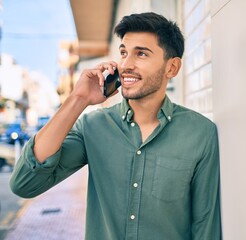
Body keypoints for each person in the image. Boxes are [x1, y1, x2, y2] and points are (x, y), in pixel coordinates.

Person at [10, 12, 222, 240]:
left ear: (171, 68)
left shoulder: (201, 134)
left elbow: (205, 226)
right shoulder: (93, 126)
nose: (126, 64)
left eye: (141, 54)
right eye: (123, 53)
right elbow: (25, 183)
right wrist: (78, 99)